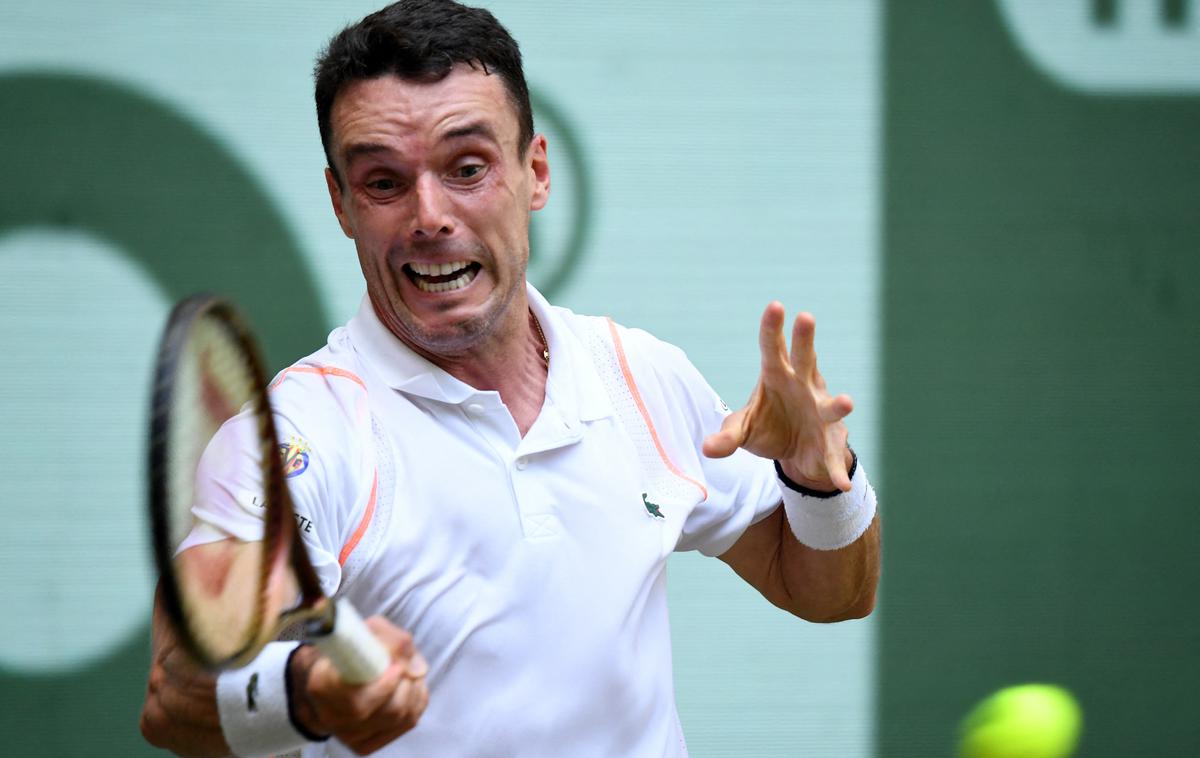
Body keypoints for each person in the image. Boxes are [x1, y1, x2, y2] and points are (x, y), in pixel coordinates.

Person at [139, 1, 881, 755]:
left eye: (467, 168)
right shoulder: (296, 439)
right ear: (341, 204)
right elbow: (175, 698)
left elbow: (831, 592)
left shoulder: (640, 377)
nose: (429, 217)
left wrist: (821, 479)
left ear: (535, 174)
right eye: (383, 183)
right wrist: (310, 693)